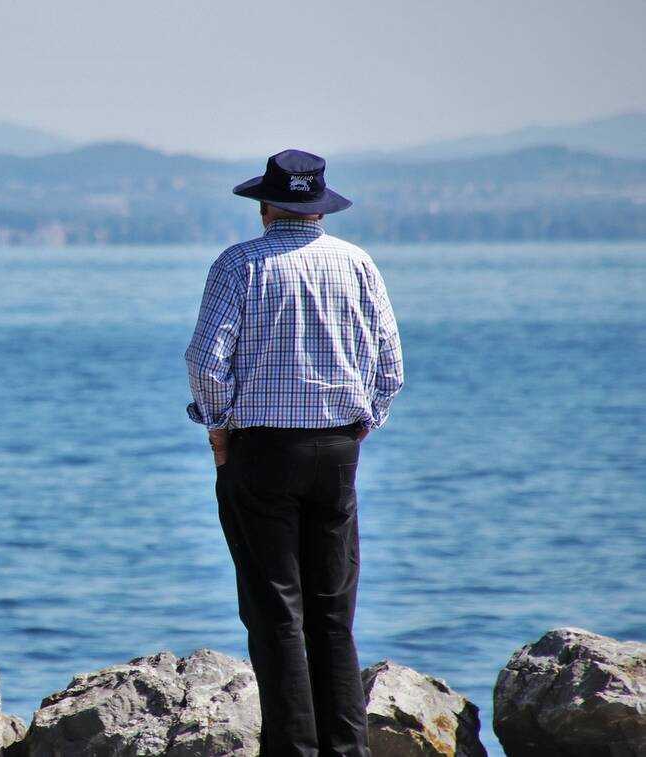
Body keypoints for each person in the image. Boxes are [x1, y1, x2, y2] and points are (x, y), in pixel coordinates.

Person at [184, 149, 404, 755]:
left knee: (276, 614)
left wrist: (218, 427)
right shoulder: (357, 263)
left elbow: (206, 363)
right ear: (319, 207)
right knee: (333, 617)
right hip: (337, 452)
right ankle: (347, 750)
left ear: (266, 206)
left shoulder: (238, 265)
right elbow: (391, 366)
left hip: (260, 453)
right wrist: (364, 423)